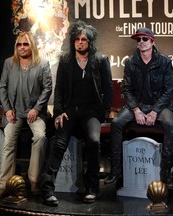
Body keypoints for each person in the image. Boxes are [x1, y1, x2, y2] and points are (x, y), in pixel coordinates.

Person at [40, 20, 113, 206]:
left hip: (91, 112)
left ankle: (91, 188)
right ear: (73, 41)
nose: (80, 42)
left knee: (94, 141)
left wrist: (102, 113)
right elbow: (60, 89)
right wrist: (59, 112)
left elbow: (108, 88)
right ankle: (47, 189)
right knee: (59, 142)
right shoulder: (65, 61)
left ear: (90, 42)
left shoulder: (100, 60)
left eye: (84, 39)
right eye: (77, 39)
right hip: (70, 111)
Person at [104, 27, 173, 186]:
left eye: (144, 39)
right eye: (138, 40)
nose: (141, 42)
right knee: (117, 123)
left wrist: (154, 111)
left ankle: (165, 172)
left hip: (160, 105)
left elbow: (168, 90)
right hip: (137, 105)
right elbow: (127, 89)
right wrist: (136, 110)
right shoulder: (131, 62)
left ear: (153, 41)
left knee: (169, 124)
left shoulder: (164, 61)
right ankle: (116, 170)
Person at [0, 31, 52, 199]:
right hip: (15, 112)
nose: (22, 47)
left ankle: (33, 181)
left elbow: (48, 88)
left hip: (35, 112)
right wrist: (7, 109)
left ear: (31, 45)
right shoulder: (9, 63)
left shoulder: (42, 64)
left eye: (25, 44)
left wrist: (36, 108)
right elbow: (2, 86)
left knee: (40, 137)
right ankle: (4, 184)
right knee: (9, 140)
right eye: (19, 44)